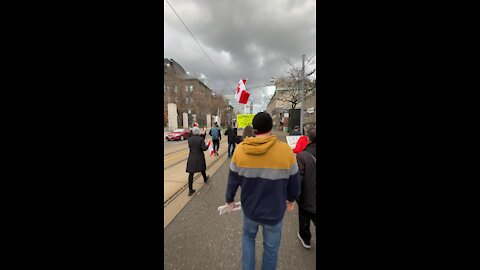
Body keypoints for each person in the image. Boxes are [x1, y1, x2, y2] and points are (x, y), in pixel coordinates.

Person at [225, 112, 300, 270]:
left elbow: (232, 181)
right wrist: (291, 199)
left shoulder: (240, 151)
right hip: (274, 211)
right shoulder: (286, 151)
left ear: (254, 129)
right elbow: (294, 181)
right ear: (271, 127)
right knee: (271, 249)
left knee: (248, 239)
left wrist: (229, 200)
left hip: (250, 209)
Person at [295, 128, 316, 249]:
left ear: (308, 139)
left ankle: (306, 239)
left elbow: (299, 178)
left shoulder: (303, 155)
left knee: (304, 216)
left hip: (307, 196)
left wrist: (294, 195)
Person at [185, 127, 209, 196]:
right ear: (198, 132)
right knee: (202, 169)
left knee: (191, 174)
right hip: (199, 157)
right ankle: (205, 179)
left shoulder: (189, 139)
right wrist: (208, 144)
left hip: (192, 157)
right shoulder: (200, 139)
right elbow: (204, 148)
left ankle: (190, 189)